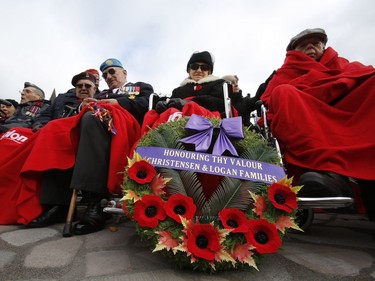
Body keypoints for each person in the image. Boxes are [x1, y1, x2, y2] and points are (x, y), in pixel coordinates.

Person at [21, 58, 154, 234]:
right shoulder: (101, 94)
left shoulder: (139, 87)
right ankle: (59, 204)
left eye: (112, 71)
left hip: (125, 128)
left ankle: (96, 201)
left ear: (124, 73)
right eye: (105, 74)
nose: (109, 76)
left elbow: (147, 105)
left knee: (91, 119)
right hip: (96, 123)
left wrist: (119, 103)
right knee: (56, 129)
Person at [258, 28, 375, 202]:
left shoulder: (342, 64)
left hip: (347, 113)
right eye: (304, 45)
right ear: (293, 51)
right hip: (310, 119)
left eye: (316, 43)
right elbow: (268, 102)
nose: (311, 47)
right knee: (283, 92)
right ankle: (329, 172)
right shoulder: (284, 74)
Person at [147, 51, 250, 132]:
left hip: (208, 118)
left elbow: (220, 103)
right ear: (189, 70)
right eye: (195, 66)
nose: (199, 70)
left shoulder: (218, 84)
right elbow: (172, 103)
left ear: (209, 71)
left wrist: (188, 103)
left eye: (204, 68)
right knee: (153, 115)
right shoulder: (179, 90)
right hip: (179, 118)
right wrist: (163, 104)